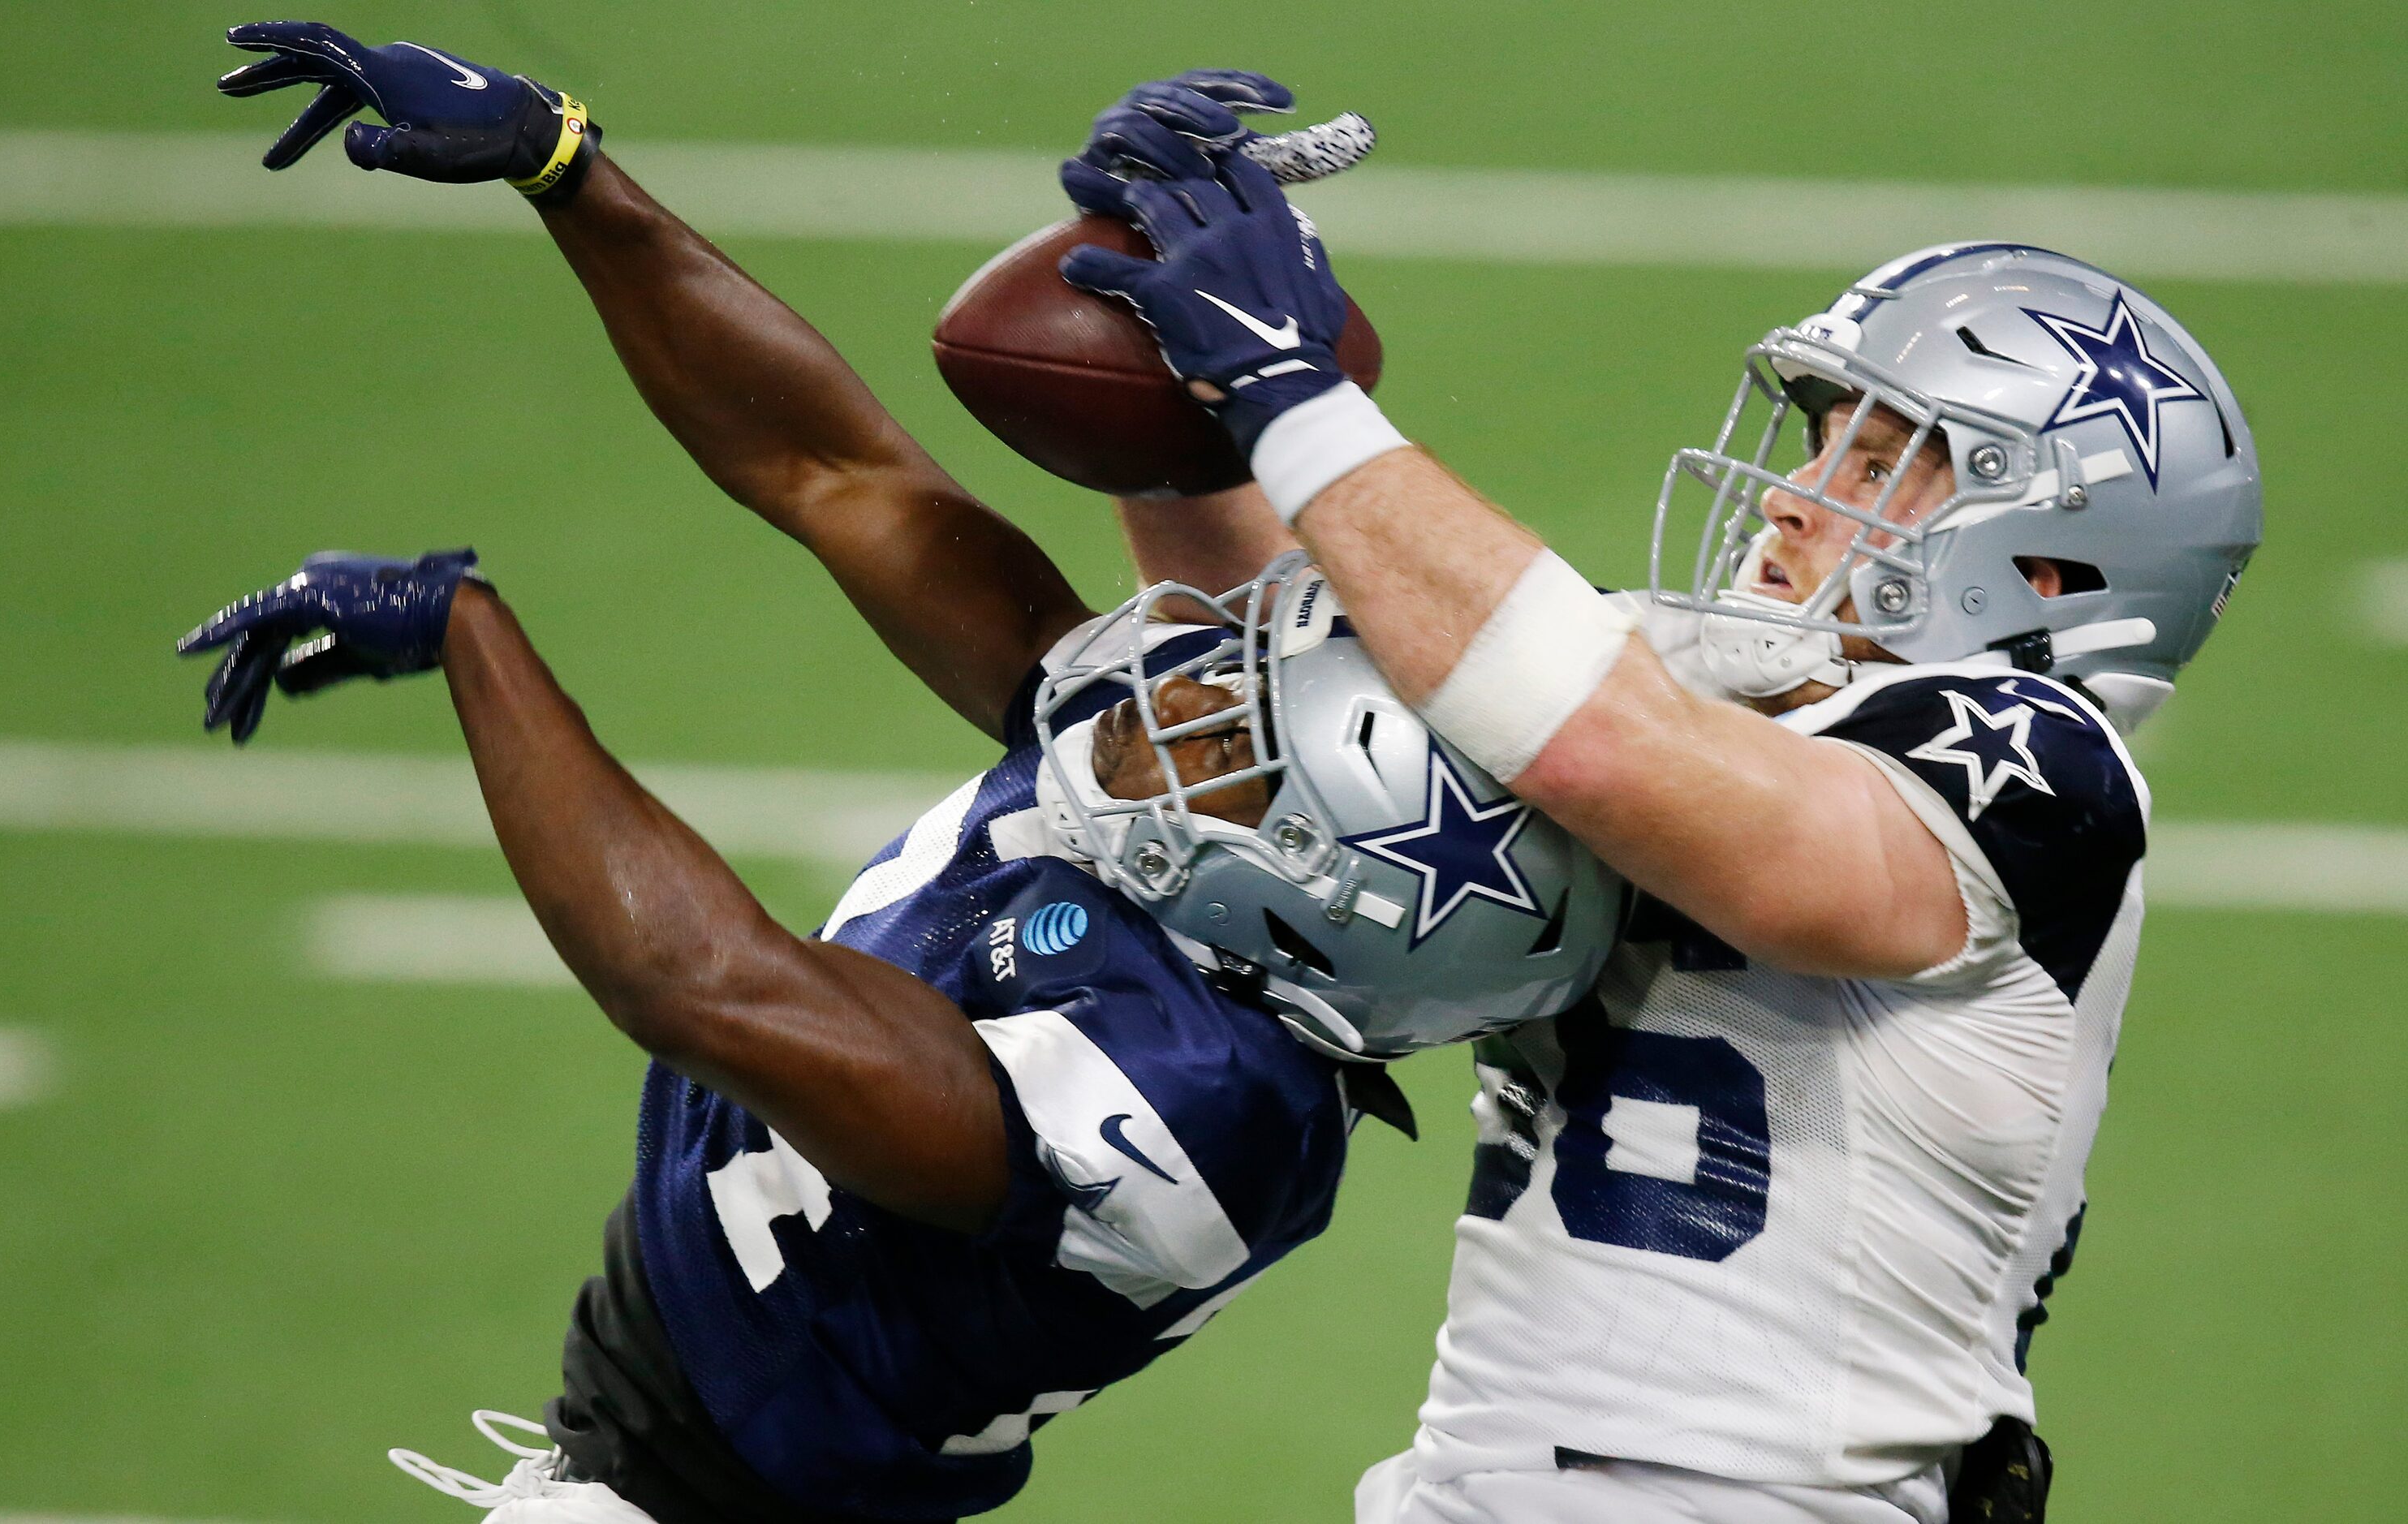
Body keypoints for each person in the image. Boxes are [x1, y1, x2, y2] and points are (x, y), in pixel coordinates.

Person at [195, 25, 1618, 1524]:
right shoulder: (1182, 847)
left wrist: (468, 634)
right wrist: (568, 170)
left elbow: (701, 986)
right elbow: (836, 473)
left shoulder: (1198, 1108)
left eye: (1242, 742)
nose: (1190, 684)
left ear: (1320, 907)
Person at [1054, 76, 2262, 1524]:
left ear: (2051, 567)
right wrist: (1176, 376)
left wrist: (1296, 399)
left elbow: (1600, 751)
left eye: (1877, 463)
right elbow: (1272, 670)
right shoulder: (1716, 696)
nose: (1798, 495)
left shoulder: (2038, 761)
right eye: (1824, 444)